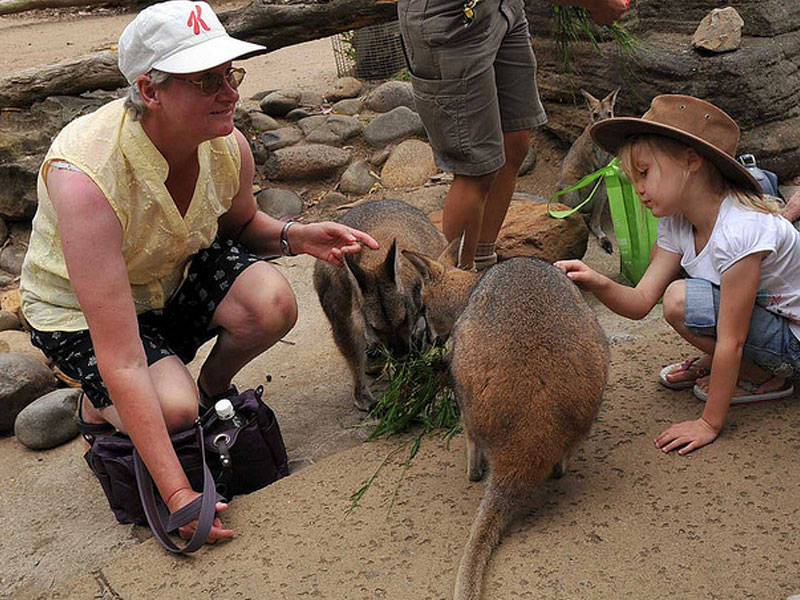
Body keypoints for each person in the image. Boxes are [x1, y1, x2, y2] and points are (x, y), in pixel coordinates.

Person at [19, 0, 378, 544]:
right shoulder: (86, 177)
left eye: (229, 74)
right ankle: (101, 407)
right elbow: (120, 351)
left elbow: (242, 226)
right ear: (150, 91)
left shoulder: (226, 143)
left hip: (170, 276)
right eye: (207, 81)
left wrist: (293, 236)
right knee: (171, 408)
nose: (230, 93)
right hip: (81, 312)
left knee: (273, 304)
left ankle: (209, 391)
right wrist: (180, 496)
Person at [554, 94, 800, 455]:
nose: (638, 189)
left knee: (682, 298)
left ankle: (764, 375)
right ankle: (736, 365)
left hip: (794, 341)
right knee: (679, 299)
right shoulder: (676, 221)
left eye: (644, 173)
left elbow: (732, 337)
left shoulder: (741, 230)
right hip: (768, 321)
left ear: (691, 162)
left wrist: (708, 423)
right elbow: (640, 302)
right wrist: (598, 280)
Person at [396, 0, 629, 270]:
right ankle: (453, 284)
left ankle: (483, 264)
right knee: (475, 167)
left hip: (502, 7)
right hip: (451, 20)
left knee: (515, 143)